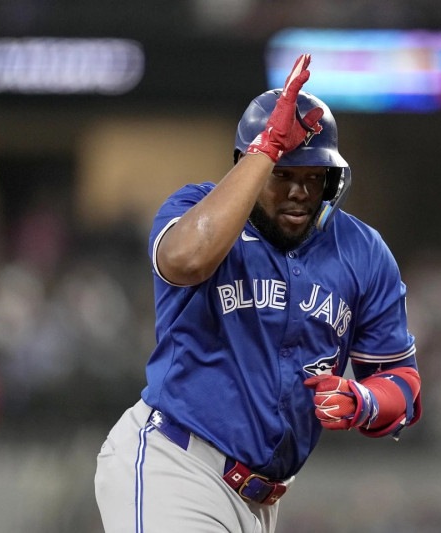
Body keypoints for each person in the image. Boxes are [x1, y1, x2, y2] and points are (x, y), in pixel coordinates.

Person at [94, 54, 422, 533]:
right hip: (177, 465)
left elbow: (402, 384)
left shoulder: (362, 251)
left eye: (314, 178)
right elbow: (186, 261)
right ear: (249, 166)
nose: (300, 193)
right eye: (283, 175)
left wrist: (362, 400)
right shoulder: (192, 208)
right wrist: (267, 147)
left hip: (262, 502)